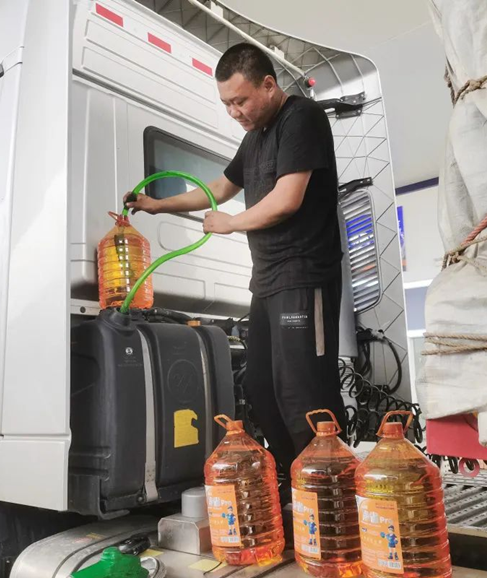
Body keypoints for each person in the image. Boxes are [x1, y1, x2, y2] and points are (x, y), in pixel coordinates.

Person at [124, 42, 346, 496]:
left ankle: (330, 495)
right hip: (267, 282)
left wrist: (229, 224)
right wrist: (158, 204)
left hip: (304, 276)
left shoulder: (301, 119)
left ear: (268, 85)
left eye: (240, 100)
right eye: (227, 103)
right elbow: (219, 189)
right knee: (261, 387)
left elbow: (287, 200)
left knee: (303, 394)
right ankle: (296, 487)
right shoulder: (255, 137)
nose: (234, 112)